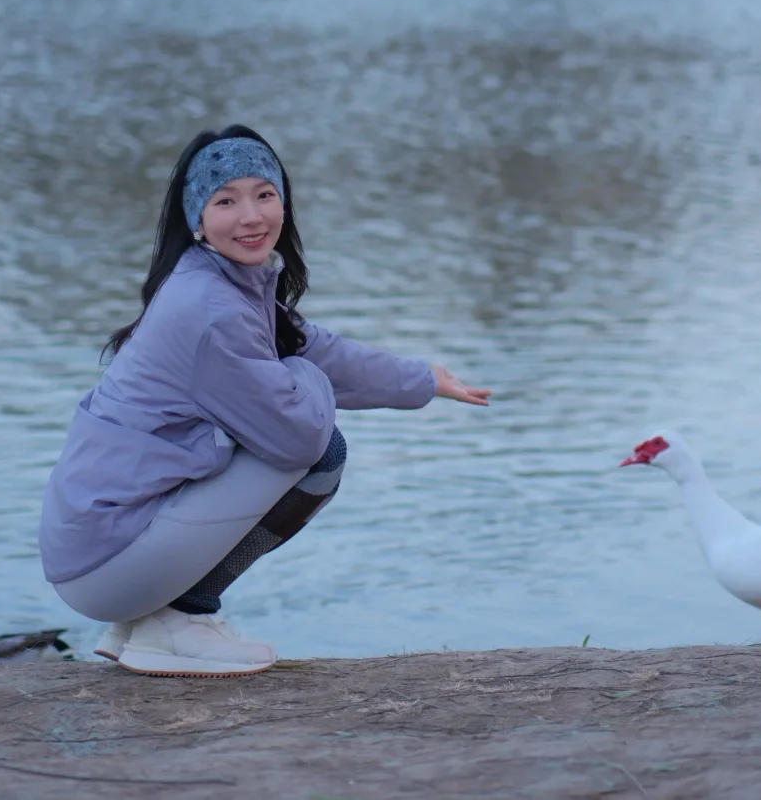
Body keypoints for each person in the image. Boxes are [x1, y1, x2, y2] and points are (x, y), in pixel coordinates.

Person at [39, 125, 490, 677]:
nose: (251, 217)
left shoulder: (218, 281)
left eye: (264, 194)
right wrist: (304, 376)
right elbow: (299, 436)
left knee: (288, 415)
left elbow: (309, 344)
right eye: (226, 201)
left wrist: (421, 380)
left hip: (97, 548)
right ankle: (181, 619)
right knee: (322, 454)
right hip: (105, 564)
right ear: (196, 220)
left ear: (283, 202)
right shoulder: (212, 311)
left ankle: (153, 622)